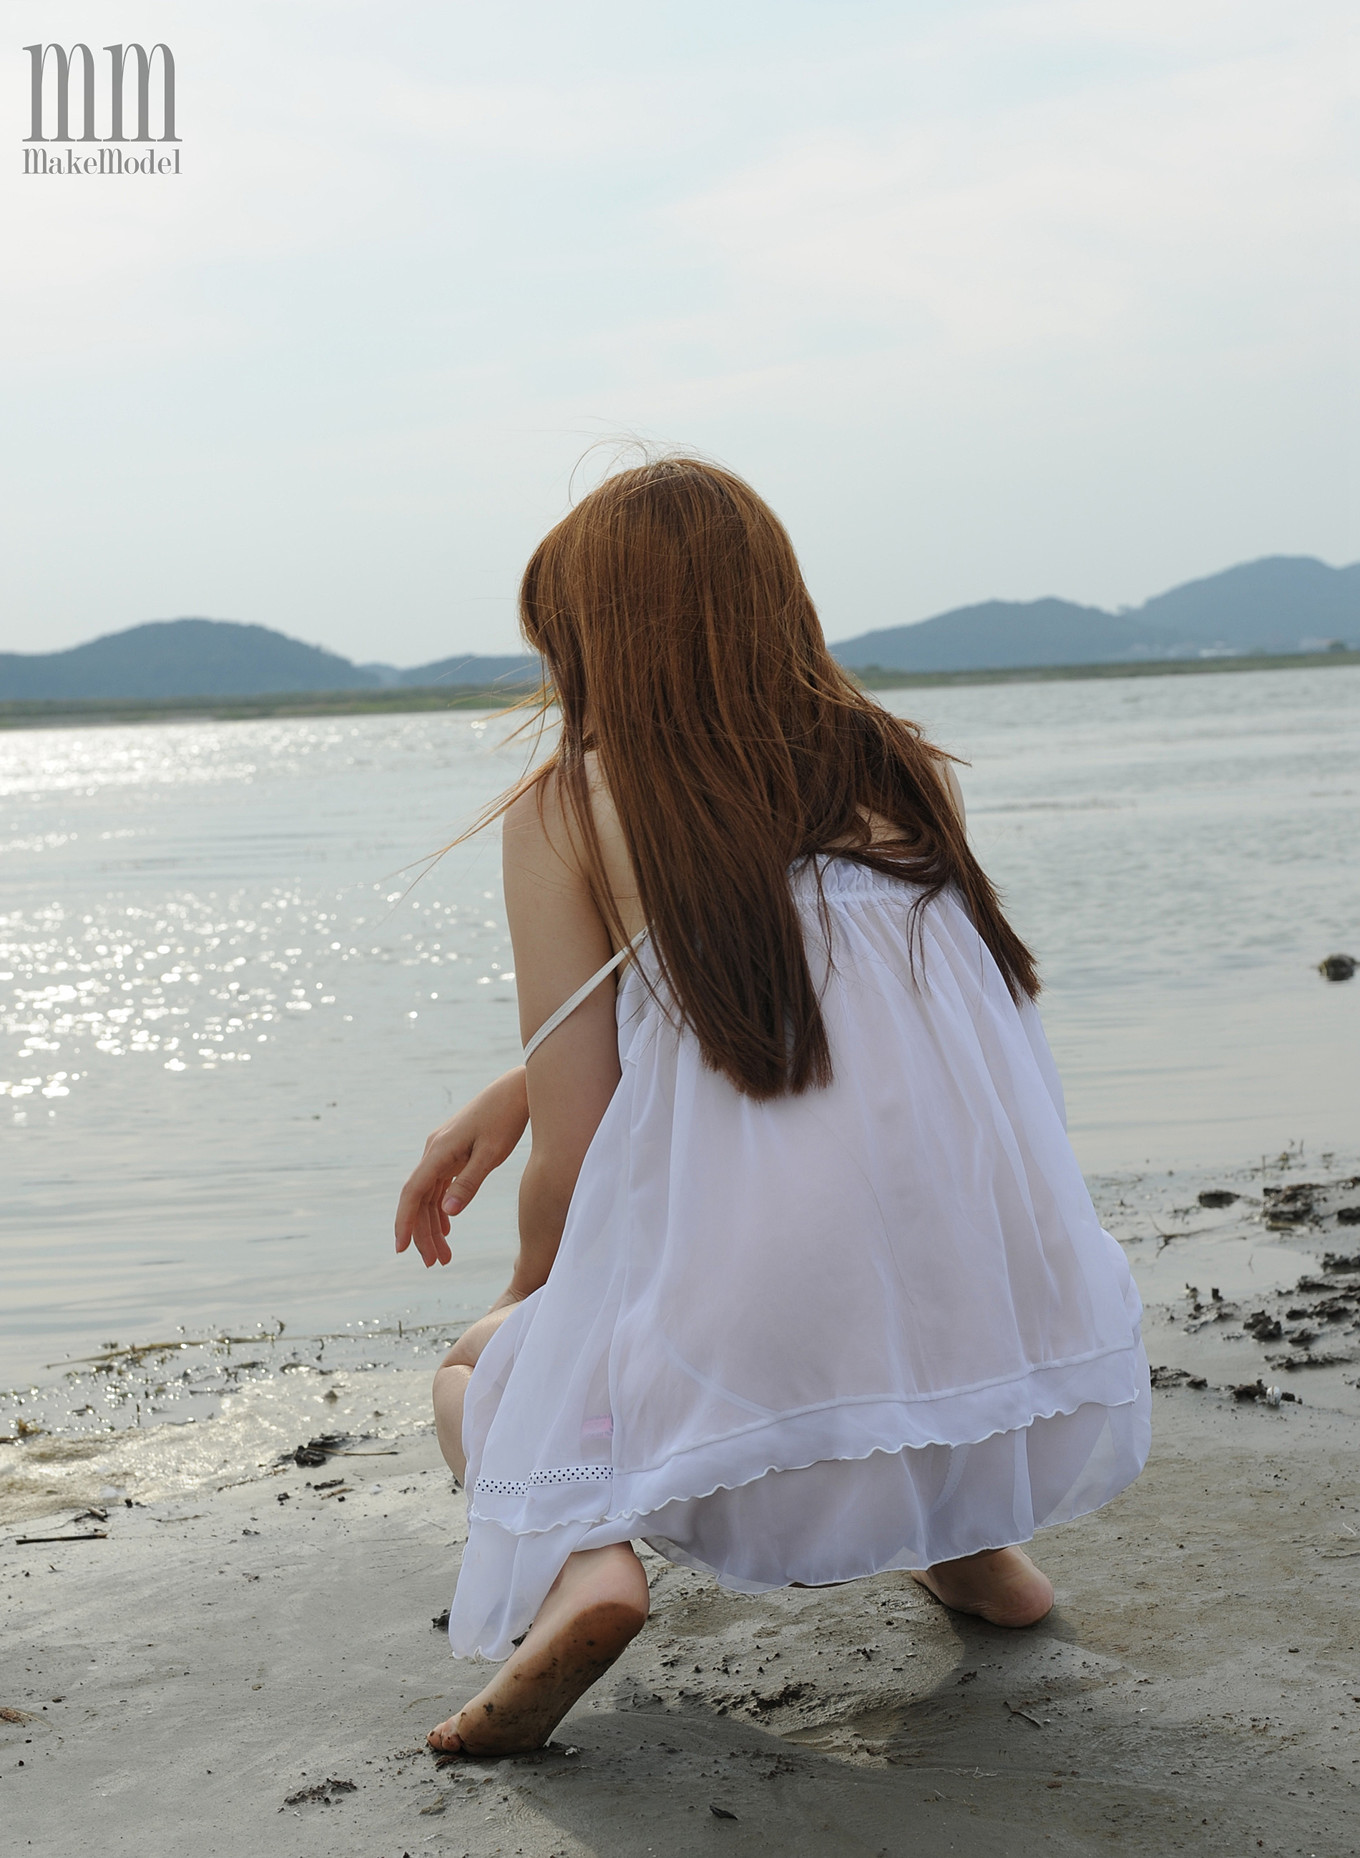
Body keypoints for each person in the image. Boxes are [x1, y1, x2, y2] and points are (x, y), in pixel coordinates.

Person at [394, 458, 1151, 1758]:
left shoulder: (573, 802)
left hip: (773, 1317)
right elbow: (861, 1024)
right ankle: (979, 1557)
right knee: (880, 1272)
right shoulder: (900, 766)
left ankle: (583, 1564)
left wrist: (536, 1308)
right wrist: (514, 1084)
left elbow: (579, 1147)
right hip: (999, 1292)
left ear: (596, 643)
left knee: (478, 1368)